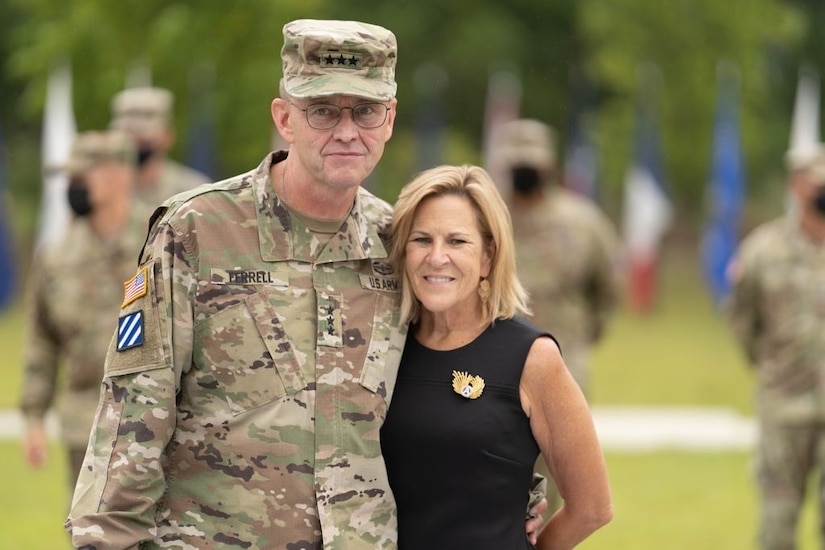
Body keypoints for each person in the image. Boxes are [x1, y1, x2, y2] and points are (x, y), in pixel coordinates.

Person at [65, 20, 546, 549]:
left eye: (365, 111)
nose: (346, 131)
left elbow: (462, 366)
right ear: (284, 118)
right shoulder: (196, 230)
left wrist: (513, 489)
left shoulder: (401, 244)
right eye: (322, 110)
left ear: (389, 119)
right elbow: (133, 413)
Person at [381, 164, 613, 549]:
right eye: (422, 240)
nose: (436, 257)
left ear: (488, 257)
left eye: (457, 242)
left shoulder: (531, 358)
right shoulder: (380, 349)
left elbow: (592, 506)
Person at [497, 118, 623, 512]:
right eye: (518, 163)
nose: (525, 172)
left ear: (549, 165)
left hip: (566, 368)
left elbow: (607, 289)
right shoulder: (488, 219)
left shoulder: (582, 223)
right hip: (496, 369)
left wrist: (583, 338)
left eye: (531, 163)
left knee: (558, 485)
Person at [19, 130, 142, 494]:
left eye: (80, 178)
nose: (72, 188)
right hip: (83, 423)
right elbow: (41, 340)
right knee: (89, 533)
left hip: (153, 420)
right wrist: (34, 417)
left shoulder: (158, 245)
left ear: (117, 176)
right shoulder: (57, 258)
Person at [725, 145, 825, 550]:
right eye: (814, 182)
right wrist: (769, 364)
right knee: (778, 526)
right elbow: (741, 318)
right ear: (796, 186)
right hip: (784, 404)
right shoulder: (763, 250)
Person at [109, 85, 210, 208]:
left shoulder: (193, 191)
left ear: (168, 136)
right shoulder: (101, 190)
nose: (134, 148)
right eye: (128, 140)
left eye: (143, 141)